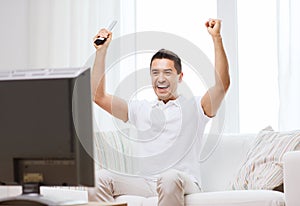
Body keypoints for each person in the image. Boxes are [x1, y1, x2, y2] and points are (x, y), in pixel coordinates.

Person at [90, 19, 230, 206]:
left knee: (169, 177)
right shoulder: (141, 109)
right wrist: (101, 52)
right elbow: (98, 96)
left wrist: (217, 38)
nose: (161, 78)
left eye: (168, 72)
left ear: (180, 77)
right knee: (99, 180)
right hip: (147, 183)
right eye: (155, 73)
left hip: (183, 182)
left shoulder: (196, 107)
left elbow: (222, 85)